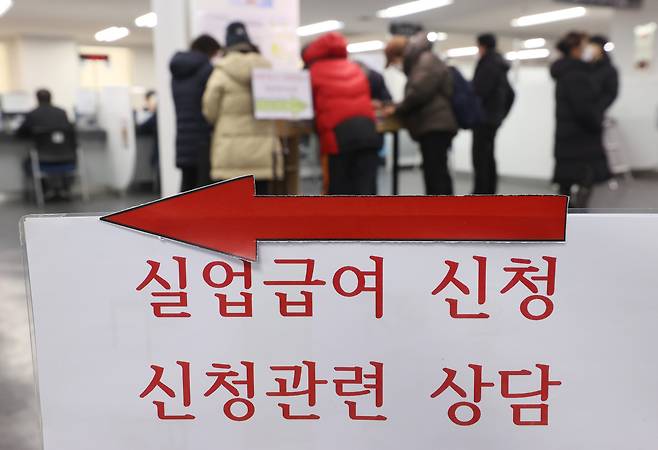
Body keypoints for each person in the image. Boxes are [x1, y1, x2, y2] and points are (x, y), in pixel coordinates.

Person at [202, 22, 280, 195]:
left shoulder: (220, 72)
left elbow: (209, 111)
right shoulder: (266, 70)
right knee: (261, 206)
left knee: (233, 210)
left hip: (230, 151)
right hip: (263, 150)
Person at [303, 32, 382, 195]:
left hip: (338, 137)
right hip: (367, 131)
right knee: (367, 188)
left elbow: (306, 105)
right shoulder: (355, 67)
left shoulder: (313, 71)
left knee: (339, 191)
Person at [384, 33, 458, 195]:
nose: (397, 66)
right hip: (434, 124)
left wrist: (398, 108)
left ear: (400, 54)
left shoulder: (425, 61)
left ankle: (441, 214)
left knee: (436, 174)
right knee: (437, 172)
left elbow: (418, 92)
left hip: (435, 125)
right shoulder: (423, 60)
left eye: (394, 60)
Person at [551, 32, 610, 209]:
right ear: (575, 49)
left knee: (566, 186)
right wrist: (596, 122)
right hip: (581, 141)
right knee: (582, 186)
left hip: (568, 140)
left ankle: (565, 225)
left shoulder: (565, 73)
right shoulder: (577, 75)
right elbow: (585, 109)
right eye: (585, 46)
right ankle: (576, 225)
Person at [170, 34, 221, 192]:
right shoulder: (207, 70)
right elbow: (211, 106)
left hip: (183, 139)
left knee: (186, 188)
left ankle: (179, 217)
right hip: (203, 139)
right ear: (210, 51)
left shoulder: (177, 73)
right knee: (203, 191)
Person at [471, 33, 513, 194]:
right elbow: (511, 94)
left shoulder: (487, 65)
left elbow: (478, 91)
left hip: (483, 119)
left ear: (482, 46)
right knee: (488, 157)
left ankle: (481, 193)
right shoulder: (500, 66)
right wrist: (500, 116)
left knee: (480, 157)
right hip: (492, 119)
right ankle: (489, 191)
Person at [17, 89, 77, 199]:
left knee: (27, 163)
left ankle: (43, 190)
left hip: (42, 158)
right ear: (51, 98)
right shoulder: (61, 112)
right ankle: (64, 188)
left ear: (37, 99)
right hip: (67, 157)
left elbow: (20, 133)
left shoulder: (32, 114)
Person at [588, 35, 619, 113]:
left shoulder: (609, 70)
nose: (590, 49)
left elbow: (610, 94)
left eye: (593, 46)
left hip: (595, 113)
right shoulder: (586, 67)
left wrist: (596, 109)